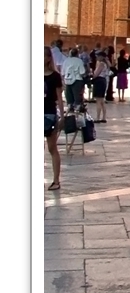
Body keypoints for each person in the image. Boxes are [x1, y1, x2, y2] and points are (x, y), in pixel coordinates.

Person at [44, 52, 62, 191]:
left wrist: (62, 116)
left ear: (49, 58)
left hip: (49, 113)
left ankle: (56, 180)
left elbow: (59, 97)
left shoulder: (55, 76)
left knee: (52, 147)